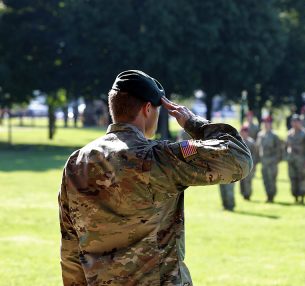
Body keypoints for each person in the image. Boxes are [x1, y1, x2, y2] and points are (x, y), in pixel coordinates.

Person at [58, 70, 252, 286]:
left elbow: (70, 248)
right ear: (147, 109)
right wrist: (192, 123)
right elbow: (238, 158)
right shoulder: (158, 157)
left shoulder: (77, 162)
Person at [286, 114, 305, 204]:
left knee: (302, 179)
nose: (295, 123)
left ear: (300, 122)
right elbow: (287, 146)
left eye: (297, 121)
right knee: (293, 178)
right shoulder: (289, 133)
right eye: (293, 121)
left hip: (302, 160)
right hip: (292, 160)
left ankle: (302, 197)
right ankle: (295, 196)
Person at [256, 116, 283, 203]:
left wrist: (275, 160)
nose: (266, 125)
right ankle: (268, 195)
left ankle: (272, 196)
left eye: (268, 123)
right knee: (265, 180)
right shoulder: (260, 135)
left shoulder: (274, 136)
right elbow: (257, 148)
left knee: (272, 180)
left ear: (271, 124)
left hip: (272, 162)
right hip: (264, 162)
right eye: (265, 123)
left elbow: (279, 150)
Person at [239, 125, 259, 200]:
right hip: (240, 165)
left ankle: (248, 195)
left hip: (249, 165)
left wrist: (254, 164)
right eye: (242, 132)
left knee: (248, 181)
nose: (244, 133)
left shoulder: (251, 142)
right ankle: (243, 194)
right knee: (241, 181)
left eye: (245, 132)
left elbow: (255, 154)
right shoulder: (239, 142)